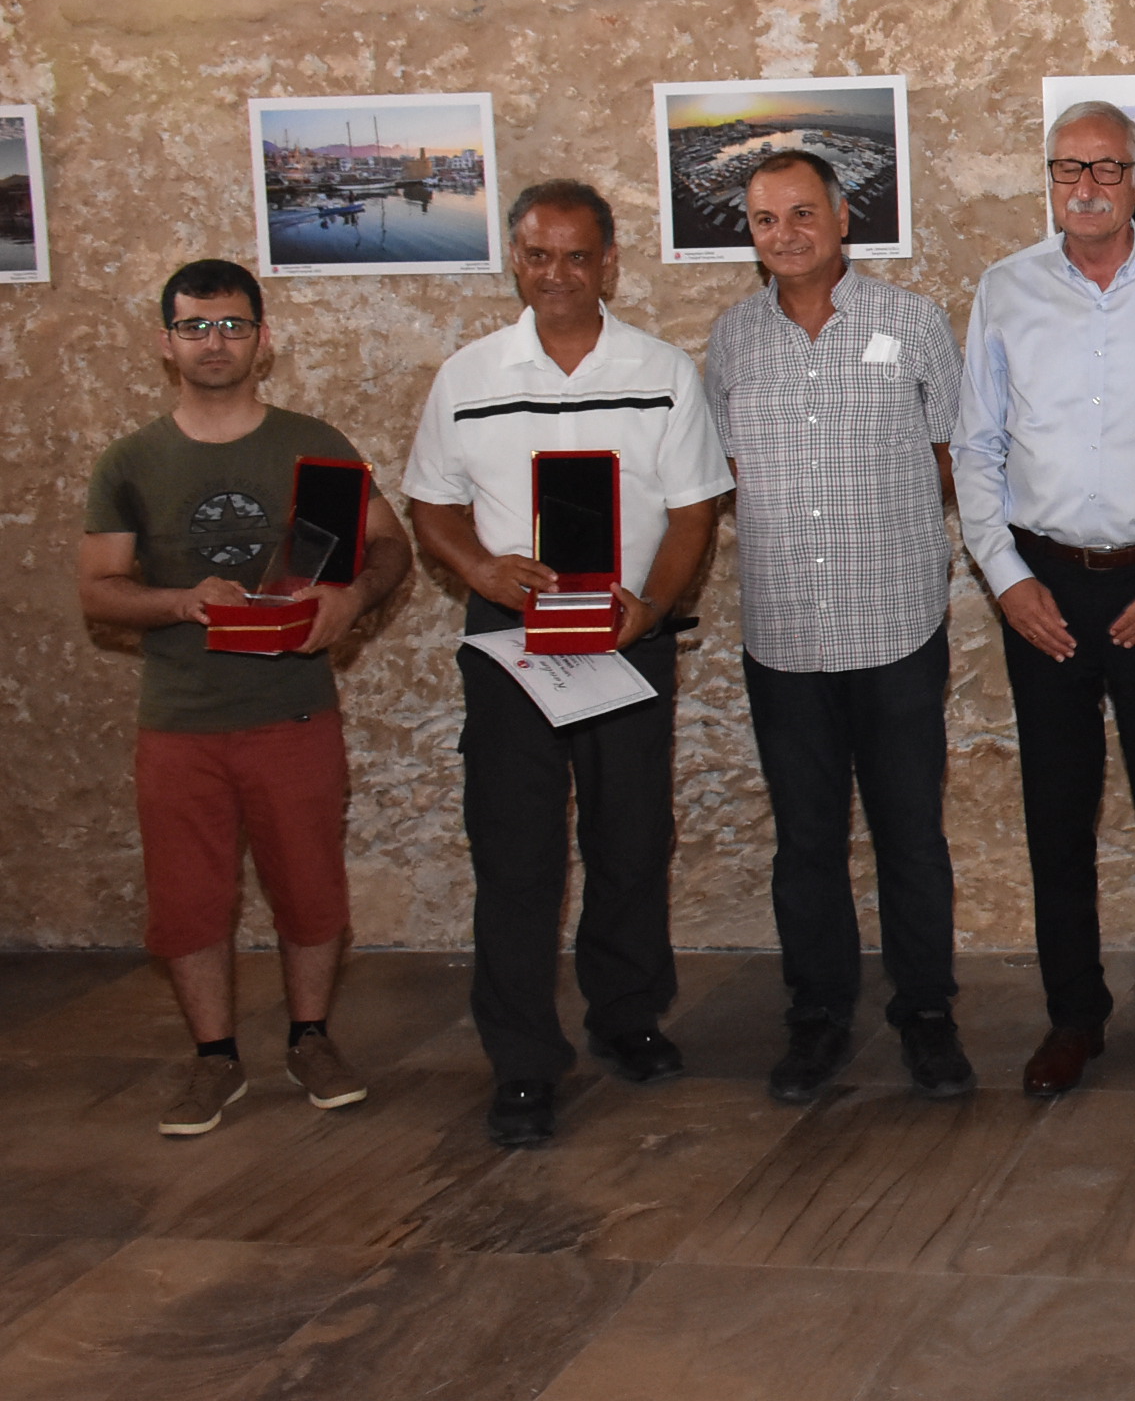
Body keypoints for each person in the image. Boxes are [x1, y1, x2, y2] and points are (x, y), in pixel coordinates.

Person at [405, 181, 729, 1148]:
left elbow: (694, 513)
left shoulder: (662, 372)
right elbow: (431, 504)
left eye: (578, 256)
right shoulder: (468, 375)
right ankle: (522, 1061)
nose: (558, 274)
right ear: (517, 261)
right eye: (539, 255)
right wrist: (480, 570)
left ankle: (626, 1017)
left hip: (630, 635)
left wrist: (652, 609)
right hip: (511, 645)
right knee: (517, 853)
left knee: (631, 839)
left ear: (610, 264)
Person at [954, 100, 1135, 1100]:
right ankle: (1073, 1015)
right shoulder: (1006, 288)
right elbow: (977, 447)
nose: (1085, 185)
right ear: (1049, 179)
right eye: (1067, 167)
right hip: (1041, 586)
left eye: (1106, 167)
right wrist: (1006, 580)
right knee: (1057, 812)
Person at [79, 259, 413, 1136]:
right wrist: (181, 601)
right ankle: (214, 1060)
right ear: (167, 343)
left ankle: (311, 1039)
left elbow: (390, 546)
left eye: (231, 325)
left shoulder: (315, 443)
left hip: (293, 713)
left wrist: (350, 599)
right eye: (195, 326)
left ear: (263, 341)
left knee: (310, 890)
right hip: (180, 722)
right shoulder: (131, 461)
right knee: (187, 901)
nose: (214, 342)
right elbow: (99, 591)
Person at [706, 150, 973, 1104]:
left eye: (802, 213)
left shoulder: (912, 323)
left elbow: (957, 454)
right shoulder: (732, 338)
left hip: (895, 623)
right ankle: (816, 1015)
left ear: (843, 217)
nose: (785, 234)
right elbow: (726, 469)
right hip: (783, 634)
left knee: (911, 835)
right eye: (765, 219)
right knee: (806, 840)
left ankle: (927, 1014)